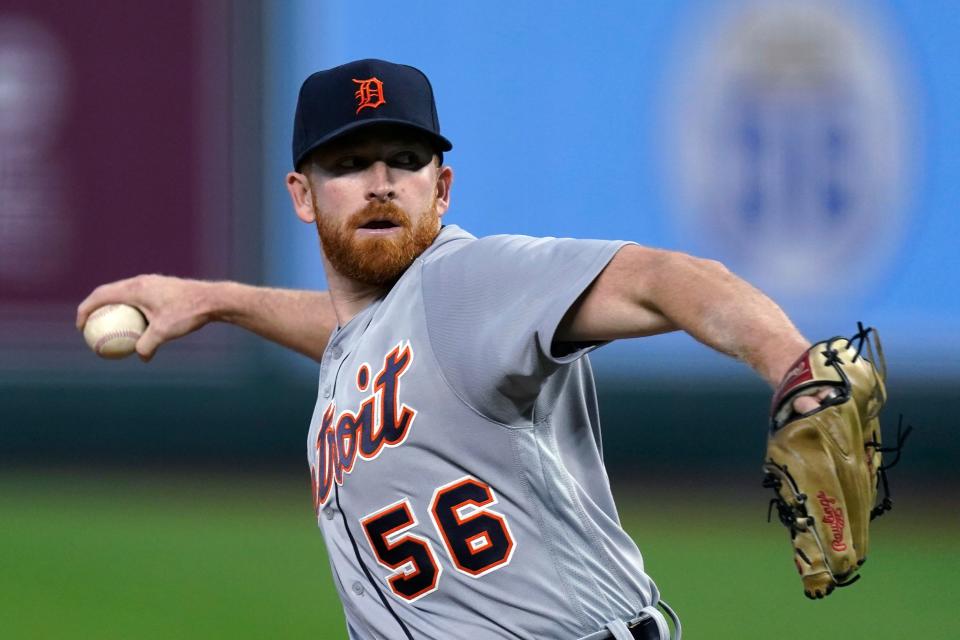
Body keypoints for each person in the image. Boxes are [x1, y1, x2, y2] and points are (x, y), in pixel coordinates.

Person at [77, 59, 825, 640]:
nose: (379, 183)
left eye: (404, 159)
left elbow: (672, 280)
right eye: (347, 163)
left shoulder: (468, 281)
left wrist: (795, 369)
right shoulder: (379, 338)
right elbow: (360, 339)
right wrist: (219, 300)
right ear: (303, 196)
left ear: (442, 188)